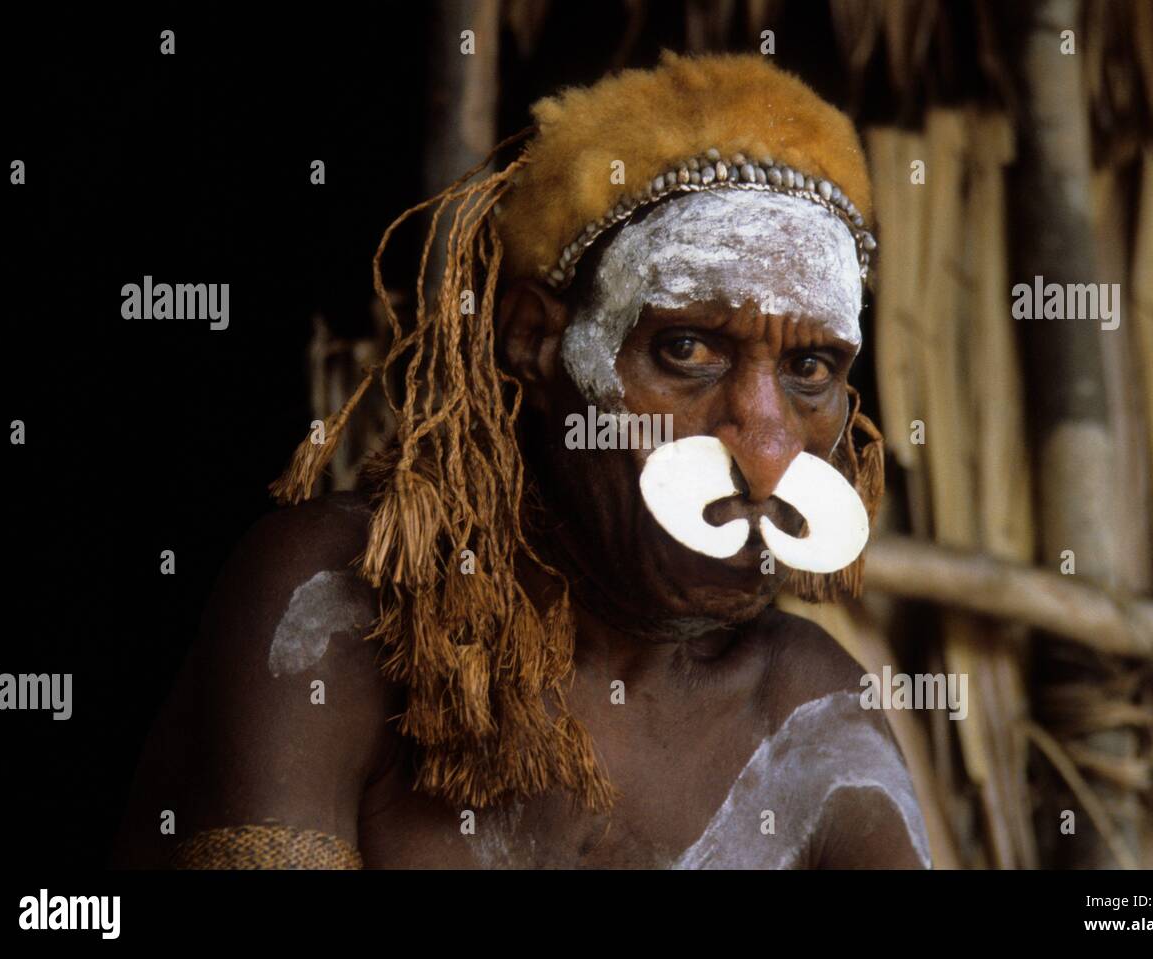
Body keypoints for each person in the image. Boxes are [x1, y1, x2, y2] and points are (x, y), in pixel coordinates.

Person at [113, 51, 930, 869]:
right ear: (537, 340)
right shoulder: (340, 609)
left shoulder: (814, 717)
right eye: (686, 349)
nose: (765, 449)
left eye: (810, 370)